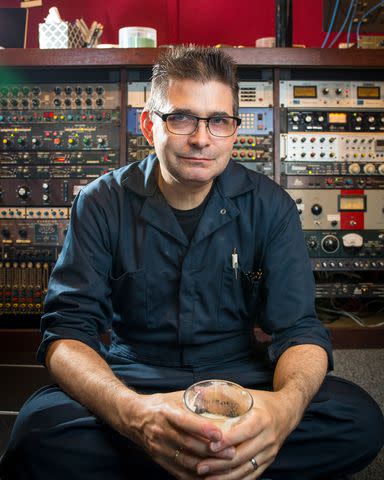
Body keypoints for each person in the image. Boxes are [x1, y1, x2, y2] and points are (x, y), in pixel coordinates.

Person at [1, 45, 383, 480]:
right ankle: (228, 461)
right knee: (34, 436)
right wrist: (134, 416)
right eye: (181, 118)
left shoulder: (271, 206)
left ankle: (180, 459)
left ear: (234, 131)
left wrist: (281, 412)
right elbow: (66, 334)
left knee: (359, 421)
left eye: (219, 121)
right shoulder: (100, 202)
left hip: (241, 379)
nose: (202, 138)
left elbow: (299, 330)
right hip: (134, 376)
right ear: (149, 125)